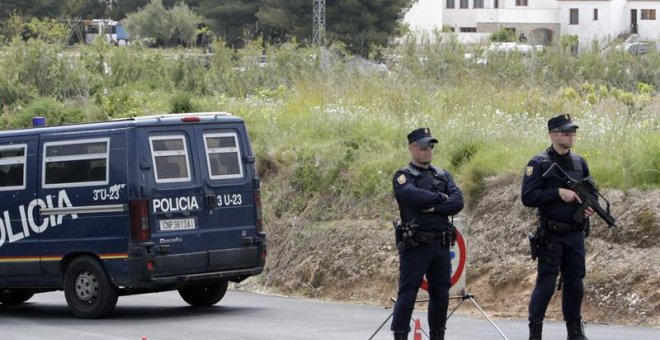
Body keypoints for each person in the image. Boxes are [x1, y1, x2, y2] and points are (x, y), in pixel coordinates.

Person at [521, 114, 595, 340]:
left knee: (575, 283)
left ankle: (574, 331)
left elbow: (590, 191)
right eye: (565, 132)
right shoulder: (539, 163)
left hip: (574, 234)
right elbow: (528, 196)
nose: (570, 135)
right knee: (547, 283)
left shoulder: (579, 162)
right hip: (551, 234)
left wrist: (589, 207)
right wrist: (557, 193)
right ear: (553, 134)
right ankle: (535, 332)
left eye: (572, 131)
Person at [391, 128, 464, 340]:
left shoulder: (442, 174)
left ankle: (438, 336)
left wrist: (434, 206)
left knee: (441, 295)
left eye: (430, 146)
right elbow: (411, 196)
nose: (428, 151)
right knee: (408, 293)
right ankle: (401, 336)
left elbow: (458, 202)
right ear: (412, 148)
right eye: (423, 147)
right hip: (416, 245)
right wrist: (442, 198)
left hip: (440, 245)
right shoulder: (403, 176)